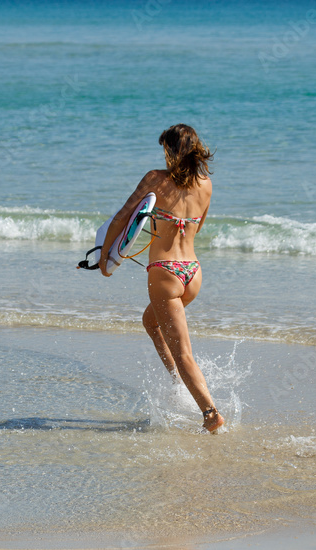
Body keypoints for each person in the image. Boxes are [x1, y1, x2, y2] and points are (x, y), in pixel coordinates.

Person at [99, 124, 225, 433]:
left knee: (183, 353)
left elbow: (122, 218)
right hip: (192, 272)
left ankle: (210, 413)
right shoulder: (206, 184)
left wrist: (104, 258)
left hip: (165, 273)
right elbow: (198, 225)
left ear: (170, 151)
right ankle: (178, 381)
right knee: (151, 323)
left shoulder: (155, 179)